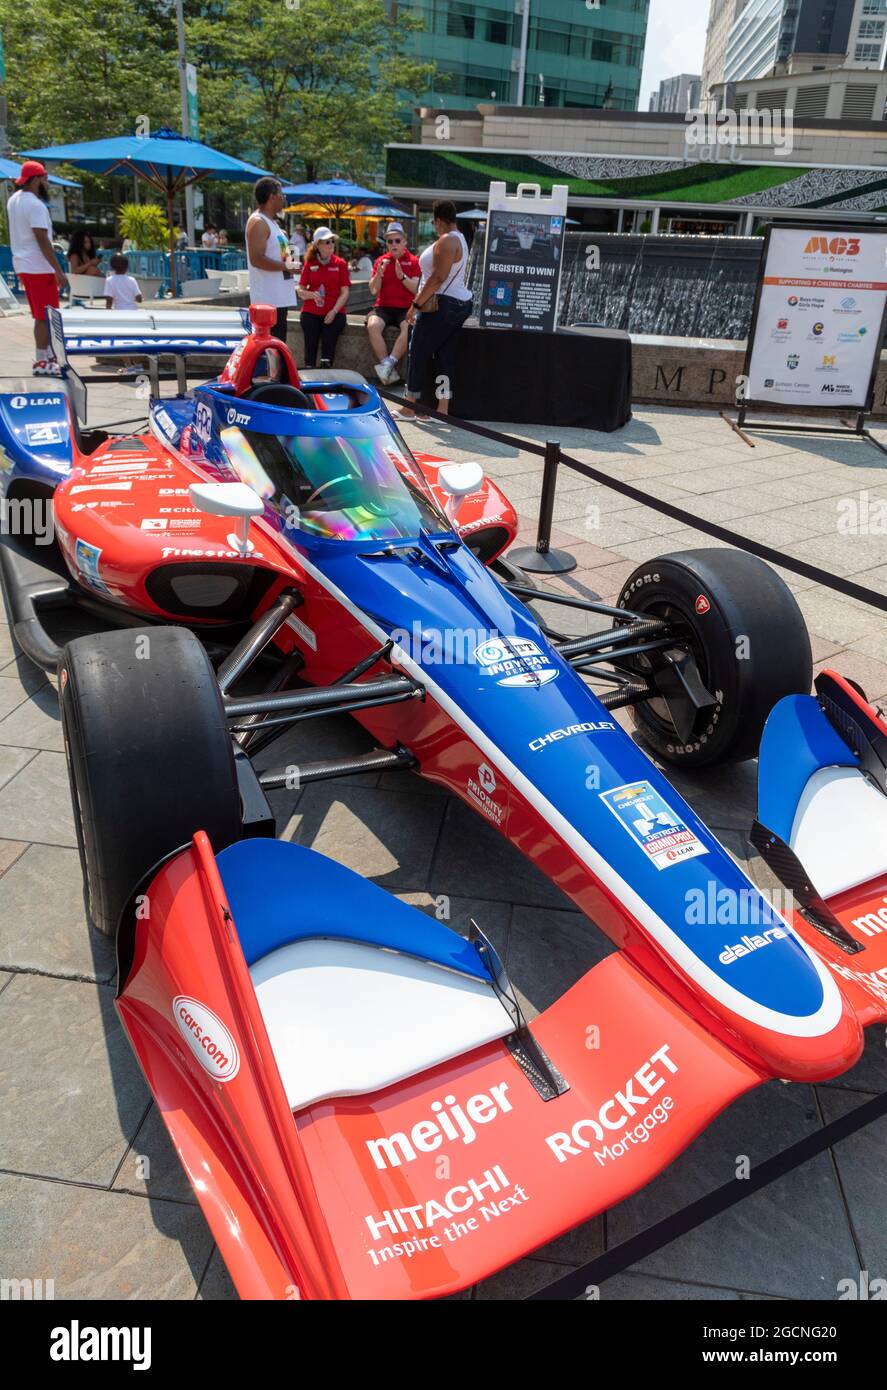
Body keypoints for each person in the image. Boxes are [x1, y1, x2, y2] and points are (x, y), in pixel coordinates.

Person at [398, 200, 473, 419]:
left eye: (434, 222)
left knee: (418, 351)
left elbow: (437, 278)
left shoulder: (447, 241)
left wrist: (415, 305)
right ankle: (442, 409)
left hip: (441, 305)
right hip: (459, 304)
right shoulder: (461, 239)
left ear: (439, 220)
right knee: (445, 356)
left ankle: (409, 406)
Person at [7, 160, 69, 376]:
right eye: (44, 179)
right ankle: (43, 361)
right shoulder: (35, 204)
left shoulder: (14, 200)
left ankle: (46, 356)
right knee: (46, 315)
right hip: (39, 266)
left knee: (39, 314)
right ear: (35, 180)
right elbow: (42, 239)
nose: (47, 183)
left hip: (24, 264)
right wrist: (58, 271)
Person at [366, 222, 420, 386]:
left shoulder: (414, 261)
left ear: (404, 241)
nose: (394, 244)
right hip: (384, 307)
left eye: (397, 240)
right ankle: (386, 365)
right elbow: (374, 291)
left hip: (405, 308)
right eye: (390, 241)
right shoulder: (381, 262)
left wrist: (402, 277)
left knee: (409, 327)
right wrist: (379, 275)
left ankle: (388, 366)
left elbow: (417, 289)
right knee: (372, 325)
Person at [245, 176, 297, 342]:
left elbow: (281, 256)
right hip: (267, 301)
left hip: (280, 298)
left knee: (278, 349)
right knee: (270, 352)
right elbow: (257, 259)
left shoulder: (272, 224)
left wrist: (291, 263)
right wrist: (287, 266)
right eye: (282, 195)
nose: (284, 199)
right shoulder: (258, 222)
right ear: (271, 196)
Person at [297, 226, 350, 368]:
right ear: (317, 245)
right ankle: (309, 370)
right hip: (311, 312)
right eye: (327, 242)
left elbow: (345, 292)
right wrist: (311, 295)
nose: (331, 244)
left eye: (332, 241)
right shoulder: (310, 263)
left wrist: (333, 311)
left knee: (329, 341)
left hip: (335, 312)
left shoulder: (340, 264)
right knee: (310, 343)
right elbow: (300, 290)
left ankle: (325, 369)